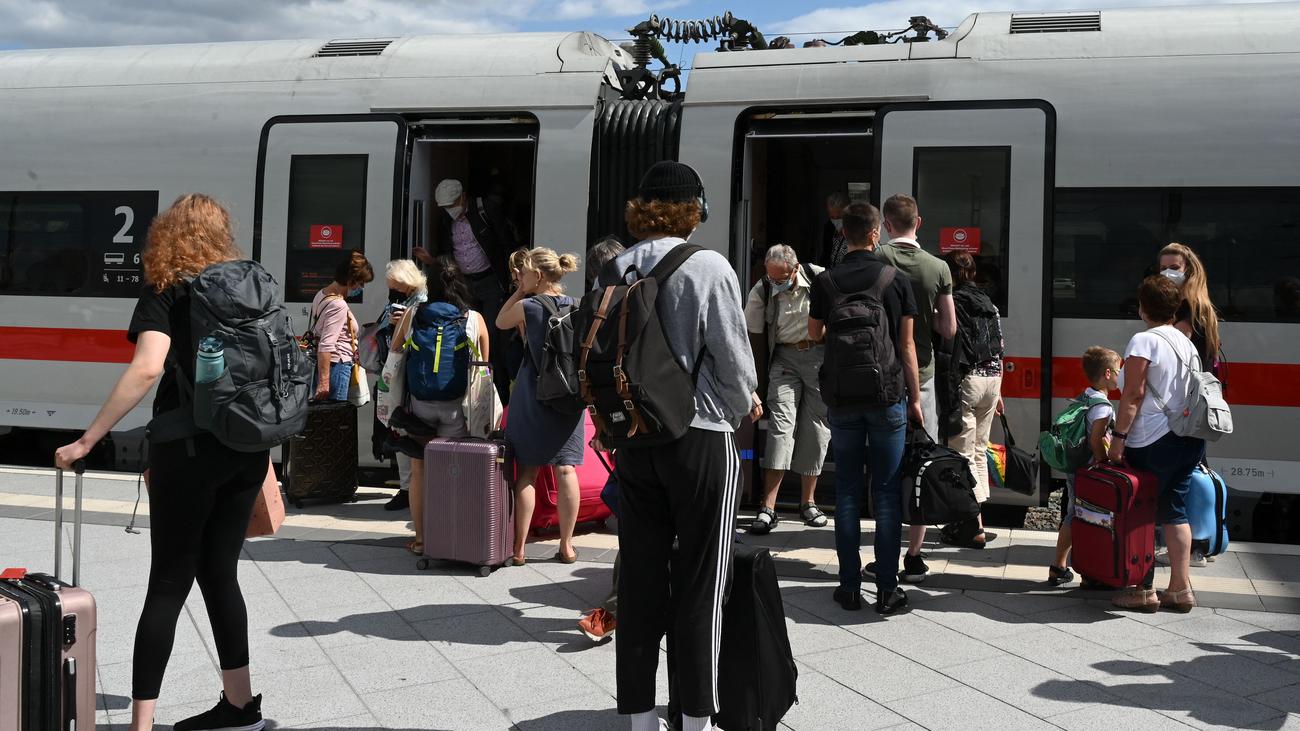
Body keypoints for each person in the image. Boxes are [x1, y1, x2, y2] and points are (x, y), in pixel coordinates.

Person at [54, 194, 269, 731]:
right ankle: (241, 708)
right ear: (222, 233)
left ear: (165, 235)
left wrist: (87, 440)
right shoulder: (251, 281)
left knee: (168, 584)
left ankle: (141, 725)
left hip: (189, 451)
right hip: (249, 446)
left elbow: (147, 368)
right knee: (221, 576)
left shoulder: (168, 287)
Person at [611, 161, 758, 731]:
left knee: (643, 579)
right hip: (700, 438)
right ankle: (695, 717)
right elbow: (736, 366)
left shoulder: (617, 265)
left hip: (634, 439)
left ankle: (639, 719)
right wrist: (733, 404)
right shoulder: (709, 266)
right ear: (693, 208)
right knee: (702, 581)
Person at [809, 202, 922, 615]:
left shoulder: (827, 281)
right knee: (887, 494)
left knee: (847, 493)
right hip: (887, 397)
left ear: (843, 234)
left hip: (842, 402)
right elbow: (907, 345)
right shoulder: (896, 279)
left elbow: (814, 333)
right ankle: (889, 591)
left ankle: (849, 588)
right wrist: (914, 399)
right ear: (877, 233)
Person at [1108, 275, 1207, 613]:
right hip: (1189, 439)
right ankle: (1180, 589)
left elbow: (1133, 394)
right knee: (1175, 511)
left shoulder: (1143, 341)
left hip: (1152, 439)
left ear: (1142, 307)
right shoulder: (1187, 343)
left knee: (1142, 511)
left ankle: (1143, 589)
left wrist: (1118, 439)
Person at [876, 193, 957, 581]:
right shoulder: (938, 267)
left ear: (887, 224)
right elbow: (949, 329)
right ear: (918, 223)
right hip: (921, 377)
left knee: (886, 467)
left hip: (881, 377)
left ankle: (884, 554)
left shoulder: (877, 261)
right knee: (921, 465)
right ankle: (913, 555)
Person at [390, 256, 490, 555]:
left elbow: (395, 351)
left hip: (420, 403)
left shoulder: (412, 314)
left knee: (420, 469)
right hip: (455, 404)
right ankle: (452, 535)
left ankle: (421, 540)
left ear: (429, 286)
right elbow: (484, 364)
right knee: (453, 468)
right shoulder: (473, 318)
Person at [496, 247, 585, 566]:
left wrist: (521, 290)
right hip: (568, 395)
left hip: (532, 393)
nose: (521, 276)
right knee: (566, 468)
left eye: (526, 272)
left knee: (528, 473)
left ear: (539, 275)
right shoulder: (577, 305)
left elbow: (501, 321)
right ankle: (567, 546)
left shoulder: (528, 306)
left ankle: (519, 550)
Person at [742, 243, 830, 534]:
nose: (775, 282)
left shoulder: (819, 279)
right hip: (783, 358)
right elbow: (751, 334)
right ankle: (768, 507)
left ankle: (808, 502)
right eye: (771, 277)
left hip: (818, 357)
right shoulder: (762, 289)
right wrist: (753, 381)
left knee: (817, 428)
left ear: (795, 268)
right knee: (781, 426)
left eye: (780, 278)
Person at [415, 179, 518, 399]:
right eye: (445, 207)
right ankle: (467, 389)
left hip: (490, 281)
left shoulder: (485, 209)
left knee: (491, 334)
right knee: (463, 333)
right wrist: (432, 261)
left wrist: (512, 276)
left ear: (463, 197)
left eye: (452, 204)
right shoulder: (446, 220)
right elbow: (447, 252)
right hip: (465, 284)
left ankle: (497, 391)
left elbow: (506, 242)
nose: (450, 210)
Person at [577, 236, 626, 644]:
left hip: (615, 424)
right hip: (648, 424)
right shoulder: (636, 297)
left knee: (634, 515)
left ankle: (613, 610)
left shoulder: (587, 309)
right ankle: (612, 610)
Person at [939, 251, 1003, 549]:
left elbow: (948, 338)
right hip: (993, 378)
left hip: (968, 378)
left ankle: (971, 526)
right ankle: (979, 520)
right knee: (979, 450)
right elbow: (998, 345)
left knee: (961, 453)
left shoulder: (954, 300)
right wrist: (999, 392)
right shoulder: (987, 301)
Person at [1048, 346, 1119, 586]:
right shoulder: (1103, 407)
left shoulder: (1085, 396)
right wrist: (1103, 461)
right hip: (1090, 471)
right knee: (1089, 517)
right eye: (1118, 371)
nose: (1121, 376)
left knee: (1073, 513)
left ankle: (1059, 566)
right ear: (1107, 374)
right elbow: (1096, 438)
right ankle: (1082, 569)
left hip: (1076, 468)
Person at [379, 259, 428, 512]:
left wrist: (401, 325)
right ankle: (408, 486)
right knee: (399, 427)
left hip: (409, 372)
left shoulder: (422, 302)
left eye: (394, 282)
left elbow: (416, 338)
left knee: (405, 427)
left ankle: (410, 488)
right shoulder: (401, 299)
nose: (390, 287)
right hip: (397, 368)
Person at [311, 250, 374, 402]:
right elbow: (326, 345)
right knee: (336, 419)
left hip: (330, 366)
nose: (361, 288)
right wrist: (324, 382)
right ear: (351, 280)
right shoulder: (338, 305)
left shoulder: (322, 294)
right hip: (337, 366)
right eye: (361, 283)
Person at [1157, 243, 1222, 369]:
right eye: (1163, 268)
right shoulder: (1194, 304)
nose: (1167, 273)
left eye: (1174, 268)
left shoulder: (1191, 308)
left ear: (1188, 271)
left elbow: (1171, 348)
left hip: (1188, 385)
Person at [818, 191, 851, 268]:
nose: (835, 220)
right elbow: (825, 254)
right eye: (832, 217)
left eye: (839, 217)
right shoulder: (829, 227)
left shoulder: (856, 230)